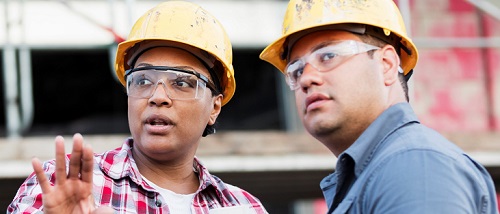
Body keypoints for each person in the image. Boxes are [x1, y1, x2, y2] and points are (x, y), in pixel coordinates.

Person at [8, 1, 268, 213]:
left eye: (182, 83)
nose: (157, 96)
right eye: (143, 80)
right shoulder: (62, 183)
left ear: (214, 107)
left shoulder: (243, 207)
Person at [260, 0, 498, 213]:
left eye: (328, 55)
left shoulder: (414, 166)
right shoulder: (379, 172)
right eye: (297, 70)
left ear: (386, 64)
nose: (306, 79)